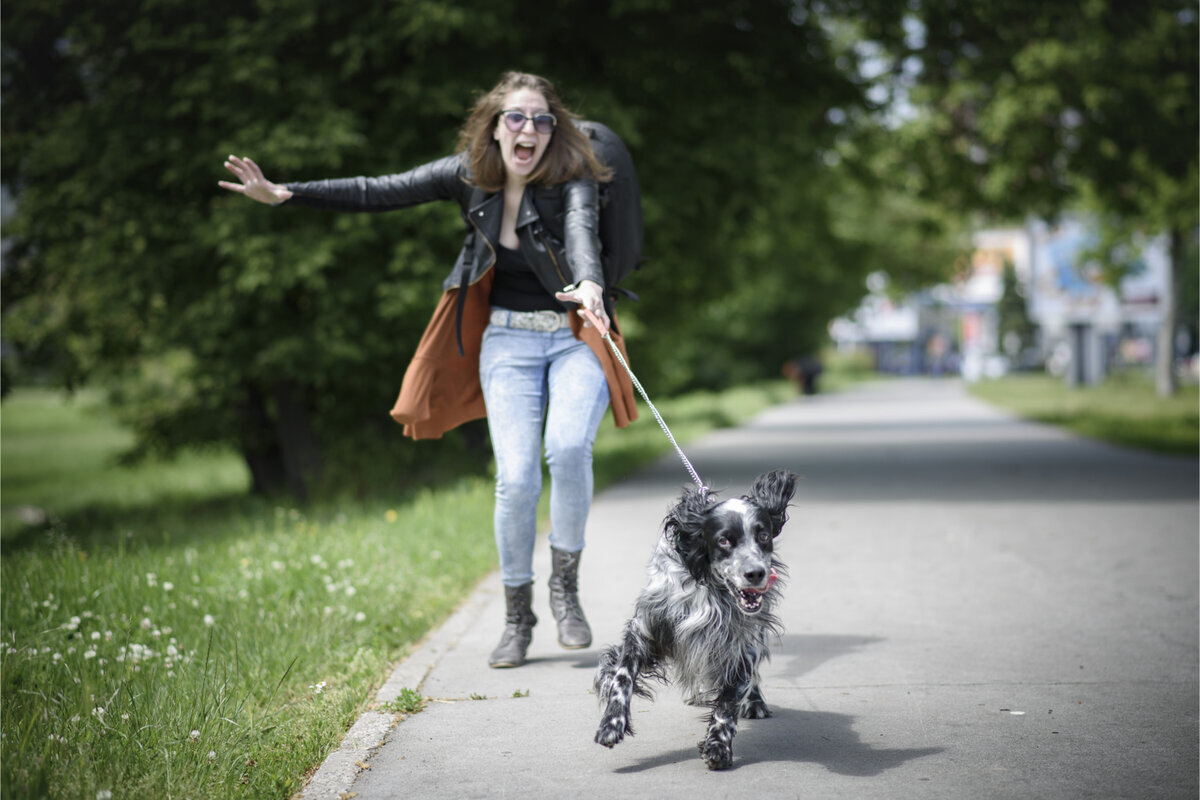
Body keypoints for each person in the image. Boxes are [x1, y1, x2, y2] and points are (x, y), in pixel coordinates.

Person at [219, 71, 637, 669]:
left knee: (568, 450)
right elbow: (377, 189)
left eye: (542, 120)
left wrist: (591, 281)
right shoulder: (465, 175)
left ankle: (564, 589)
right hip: (507, 341)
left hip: (574, 336)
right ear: (494, 127)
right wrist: (287, 193)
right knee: (516, 478)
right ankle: (518, 617)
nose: (529, 130)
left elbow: (581, 231)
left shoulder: (571, 176)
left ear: (554, 131)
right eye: (516, 118)